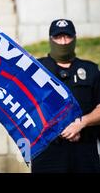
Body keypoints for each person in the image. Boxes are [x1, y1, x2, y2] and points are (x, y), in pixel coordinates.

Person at [32, 19, 100, 173]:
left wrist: (81, 123)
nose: (63, 42)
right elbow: (27, 106)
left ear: (74, 38)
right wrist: (61, 127)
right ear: (51, 40)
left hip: (84, 152)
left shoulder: (90, 70)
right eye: (58, 37)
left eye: (67, 37)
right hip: (47, 153)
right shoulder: (36, 69)